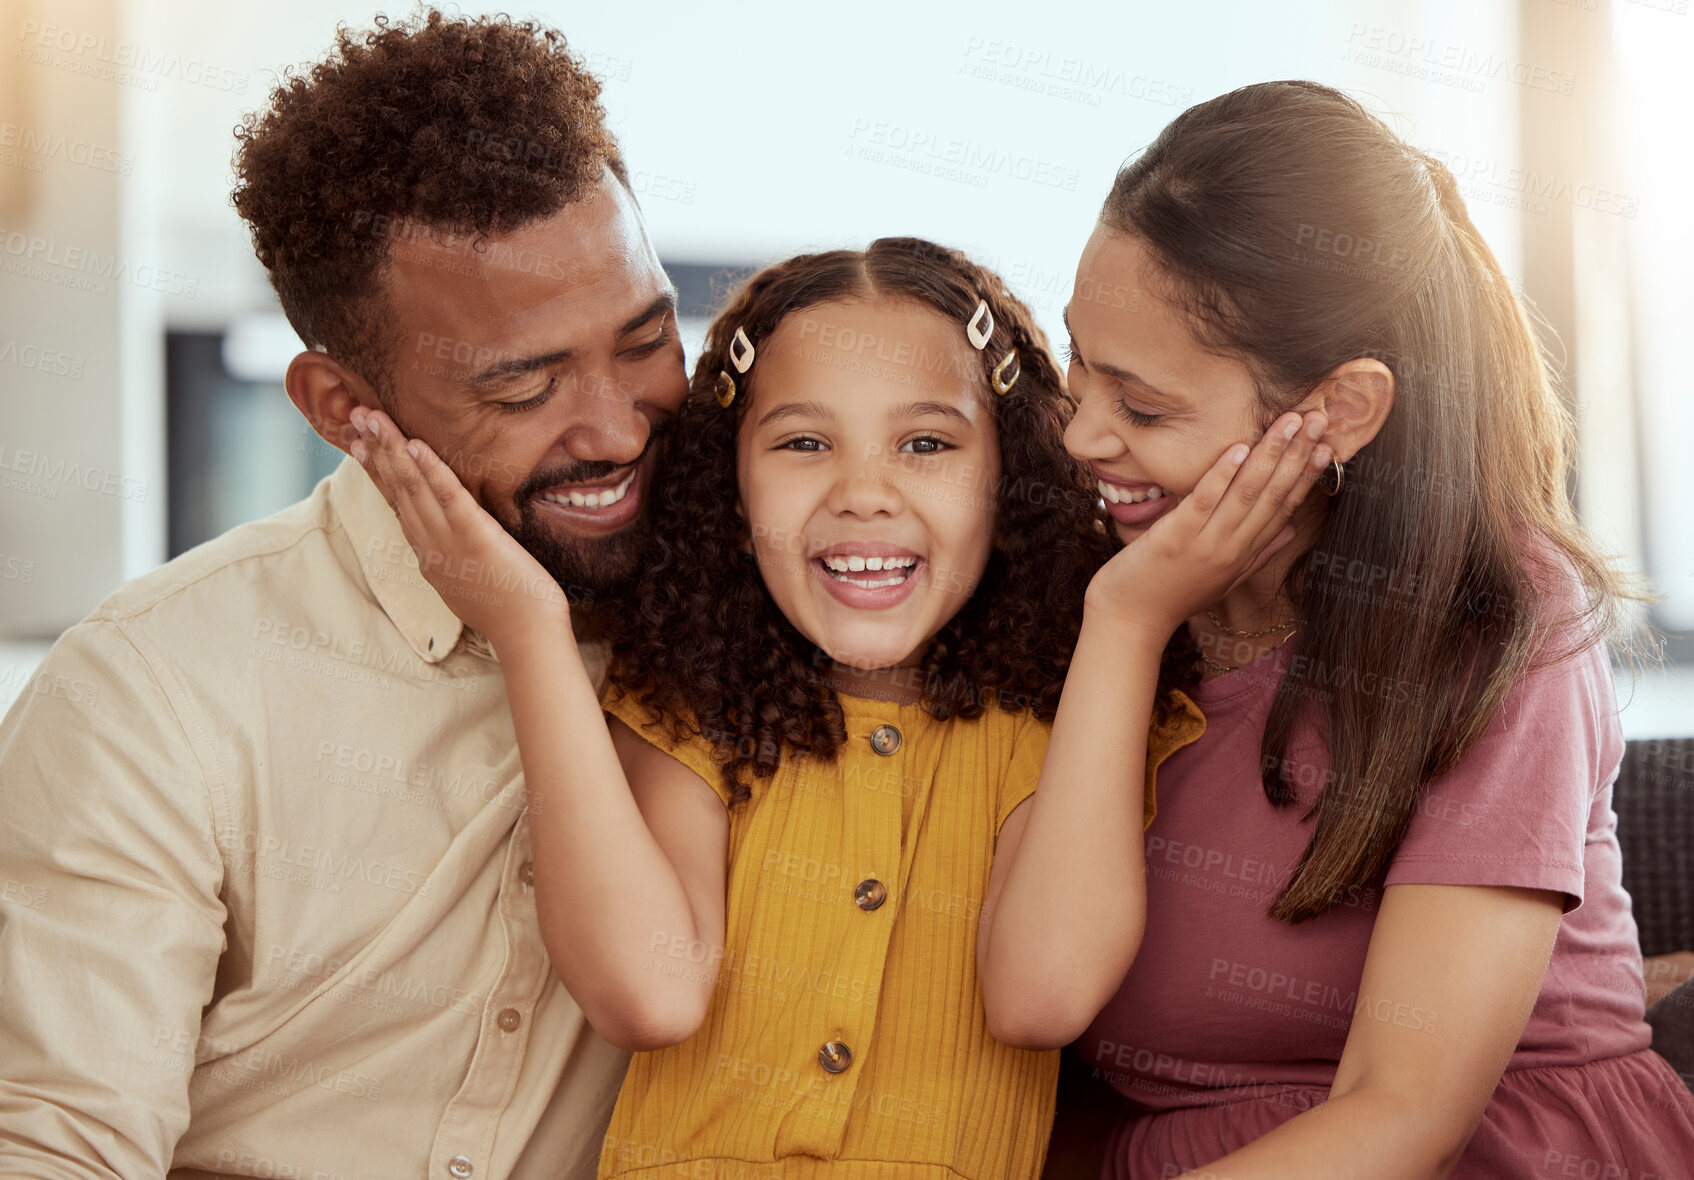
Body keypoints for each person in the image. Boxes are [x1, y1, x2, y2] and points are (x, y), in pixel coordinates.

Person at [347, 236, 1332, 1177]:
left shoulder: (1065, 724)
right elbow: (646, 993)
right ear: (731, 499)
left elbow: (1043, 993)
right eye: (805, 442)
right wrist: (529, 631)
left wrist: (1122, 622)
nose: (865, 492)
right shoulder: (690, 707)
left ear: (1008, 482)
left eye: (924, 442)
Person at [0, 12, 685, 1178]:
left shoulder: (770, 612)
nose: (617, 428)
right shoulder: (149, 692)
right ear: (336, 403)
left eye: (644, 337)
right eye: (524, 386)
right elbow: (57, 1142)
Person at [1060, 80, 1694, 1178]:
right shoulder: (1112, 578)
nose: (1079, 433)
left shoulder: (1495, 616)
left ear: (1339, 410)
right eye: (1075, 359)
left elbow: (1399, 1114)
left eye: (1144, 407)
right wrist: (1121, 622)